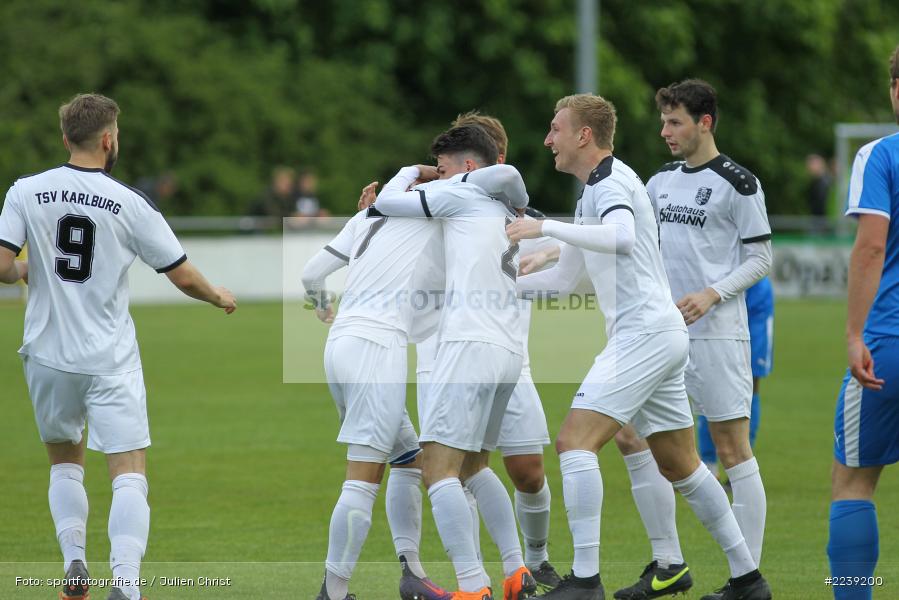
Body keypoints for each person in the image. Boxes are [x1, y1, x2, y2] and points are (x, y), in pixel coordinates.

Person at [506, 93, 770, 600]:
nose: (547, 140)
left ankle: (584, 580)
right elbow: (564, 280)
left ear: (584, 135)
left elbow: (622, 236)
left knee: (574, 443)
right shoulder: (592, 193)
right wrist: (500, 287)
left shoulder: (612, 180)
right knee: (681, 465)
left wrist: (544, 226)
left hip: (646, 334)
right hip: (662, 334)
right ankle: (748, 579)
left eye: (555, 129)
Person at [0, 93, 236, 600]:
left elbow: (1, 266)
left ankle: (74, 564)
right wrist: (217, 297)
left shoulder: (26, 190)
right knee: (128, 473)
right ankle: (125, 587)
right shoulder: (130, 203)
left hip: (46, 355)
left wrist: (25, 269)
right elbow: (184, 275)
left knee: (65, 462)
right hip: (109, 359)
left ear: (66, 138)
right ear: (108, 139)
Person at [611, 79, 773, 600]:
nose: (665, 132)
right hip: (661, 337)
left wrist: (712, 293)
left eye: (675, 121)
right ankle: (667, 562)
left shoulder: (738, 184)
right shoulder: (658, 183)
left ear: (705, 122)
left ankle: (744, 578)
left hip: (719, 336)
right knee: (632, 437)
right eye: (663, 122)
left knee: (731, 448)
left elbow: (762, 258)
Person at [374, 124, 535, 600]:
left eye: (442, 168)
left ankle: (472, 587)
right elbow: (511, 177)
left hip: (469, 346)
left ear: (467, 169)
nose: (434, 177)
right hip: (507, 353)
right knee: (476, 468)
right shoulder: (505, 206)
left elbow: (386, 202)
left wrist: (410, 171)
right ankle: (515, 571)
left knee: (437, 469)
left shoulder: (460, 196)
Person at [301, 164, 450, 600]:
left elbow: (311, 274)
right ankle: (334, 591)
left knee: (408, 456)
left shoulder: (366, 216)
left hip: (340, 344)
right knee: (362, 478)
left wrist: (322, 303)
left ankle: (412, 574)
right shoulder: (433, 214)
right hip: (376, 349)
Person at [827, 44, 899, 600]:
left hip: (888, 343)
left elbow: (871, 246)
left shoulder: (881, 155)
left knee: (853, 483)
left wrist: (853, 334)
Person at [697, 276, 775, 481]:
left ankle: (740, 467)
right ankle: (708, 465)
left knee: (751, 384)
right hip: (712, 290)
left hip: (752, 294)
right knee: (709, 383)